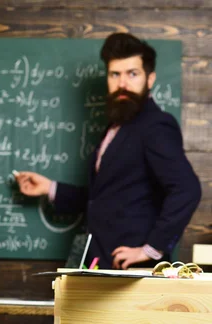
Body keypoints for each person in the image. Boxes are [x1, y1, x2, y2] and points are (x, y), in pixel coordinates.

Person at [15, 33, 201, 270]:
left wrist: (151, 249)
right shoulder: (116, 127)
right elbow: (107, 198)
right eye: (115, 74)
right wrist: (50, 188)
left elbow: (187, 189)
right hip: (102, 263)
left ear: (150, 79)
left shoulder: (156, 125)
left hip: (132, 273)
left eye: (132, 74)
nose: (122, 83)